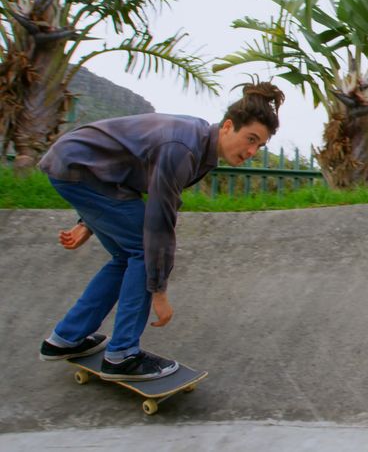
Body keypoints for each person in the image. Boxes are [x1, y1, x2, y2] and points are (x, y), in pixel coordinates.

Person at [36, 82, 284, 380]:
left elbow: (124, 166)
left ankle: (65, 339)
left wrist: (87, 222)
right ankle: (122, 356)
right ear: (228, 126)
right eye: (250, 139)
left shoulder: (200, 146)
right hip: (78, 170)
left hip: (81, 170)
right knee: (142, 249)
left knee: (125, 255)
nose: (252, 151)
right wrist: (159, 289)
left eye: (260, 146)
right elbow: (159, 221)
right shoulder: (182, 148)